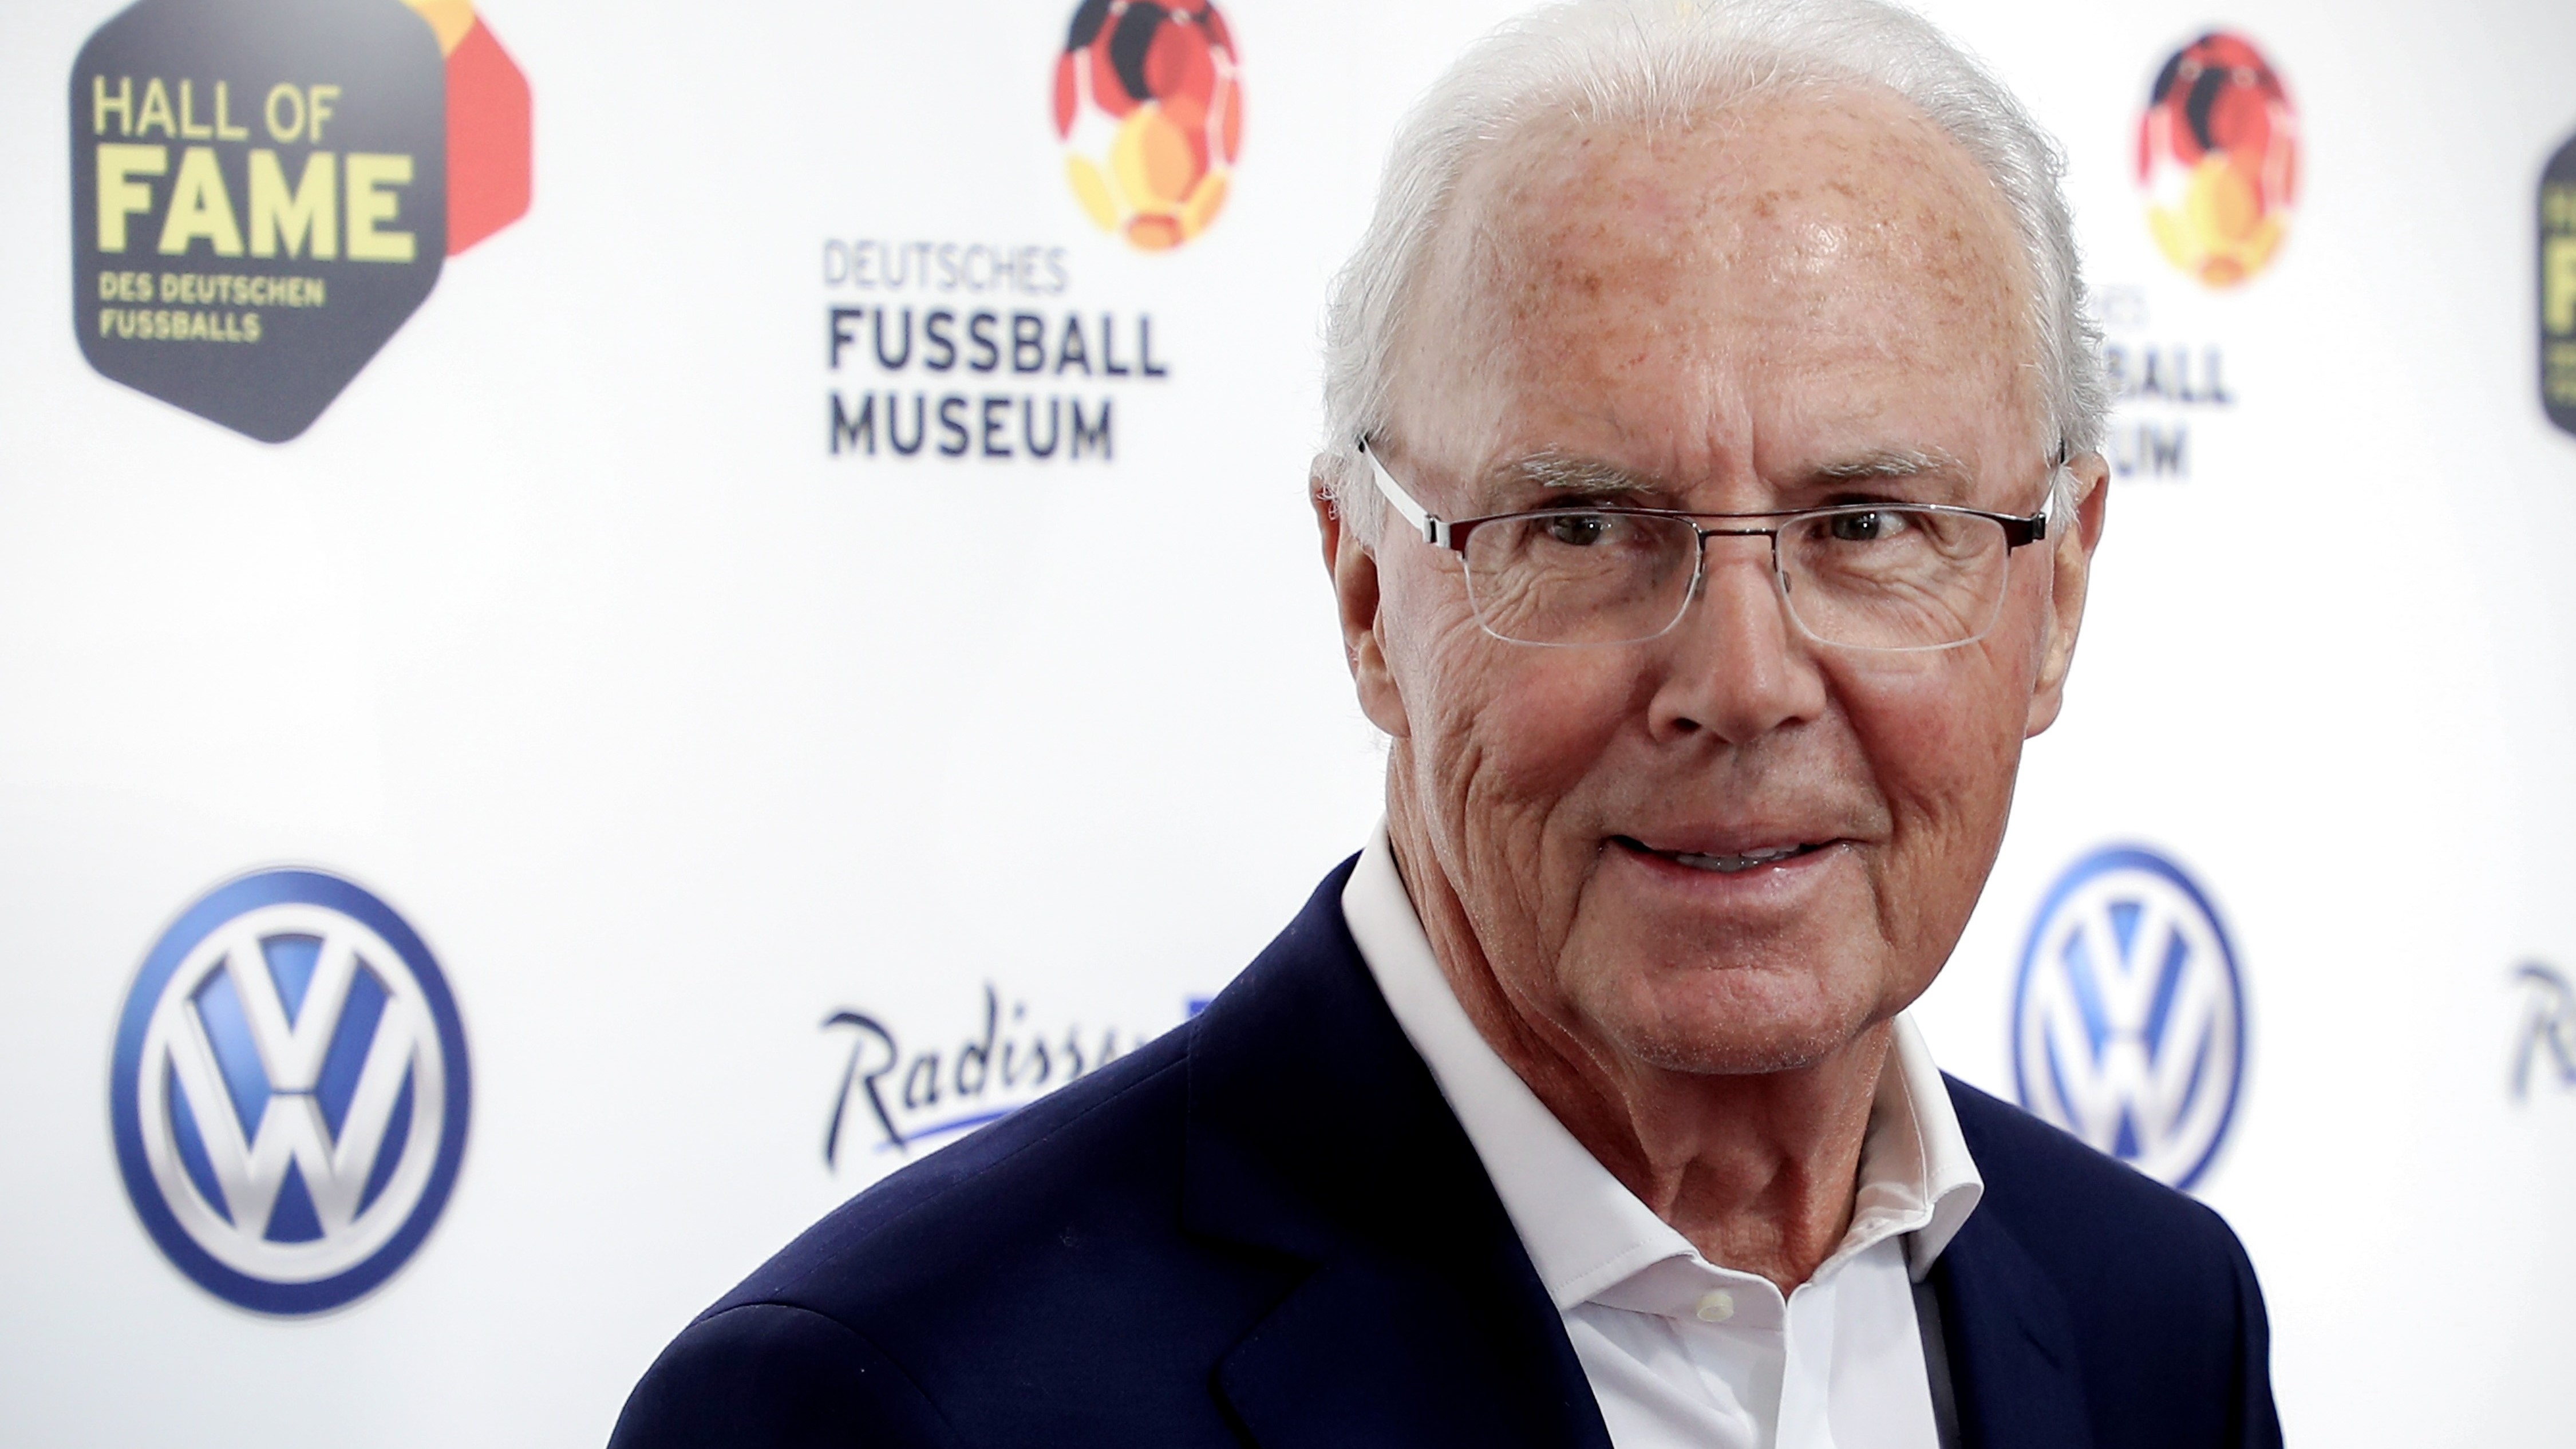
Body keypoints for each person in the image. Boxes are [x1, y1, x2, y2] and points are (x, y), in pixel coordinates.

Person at [611, 1, 2282, 1444]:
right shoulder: (883, 1409)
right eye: (1583, 525)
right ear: (1365, 596)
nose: (1741, 681)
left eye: (1864, 523)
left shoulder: (2159, 1319)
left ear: (2059, 590)